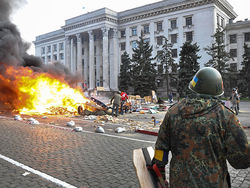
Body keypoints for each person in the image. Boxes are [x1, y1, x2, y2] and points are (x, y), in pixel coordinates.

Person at [151, 67, 250, 187]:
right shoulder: (226, 116)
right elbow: (241, 160)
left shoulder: (173, 112)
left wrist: (160, 178)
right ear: (217, 89)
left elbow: (161, 150)